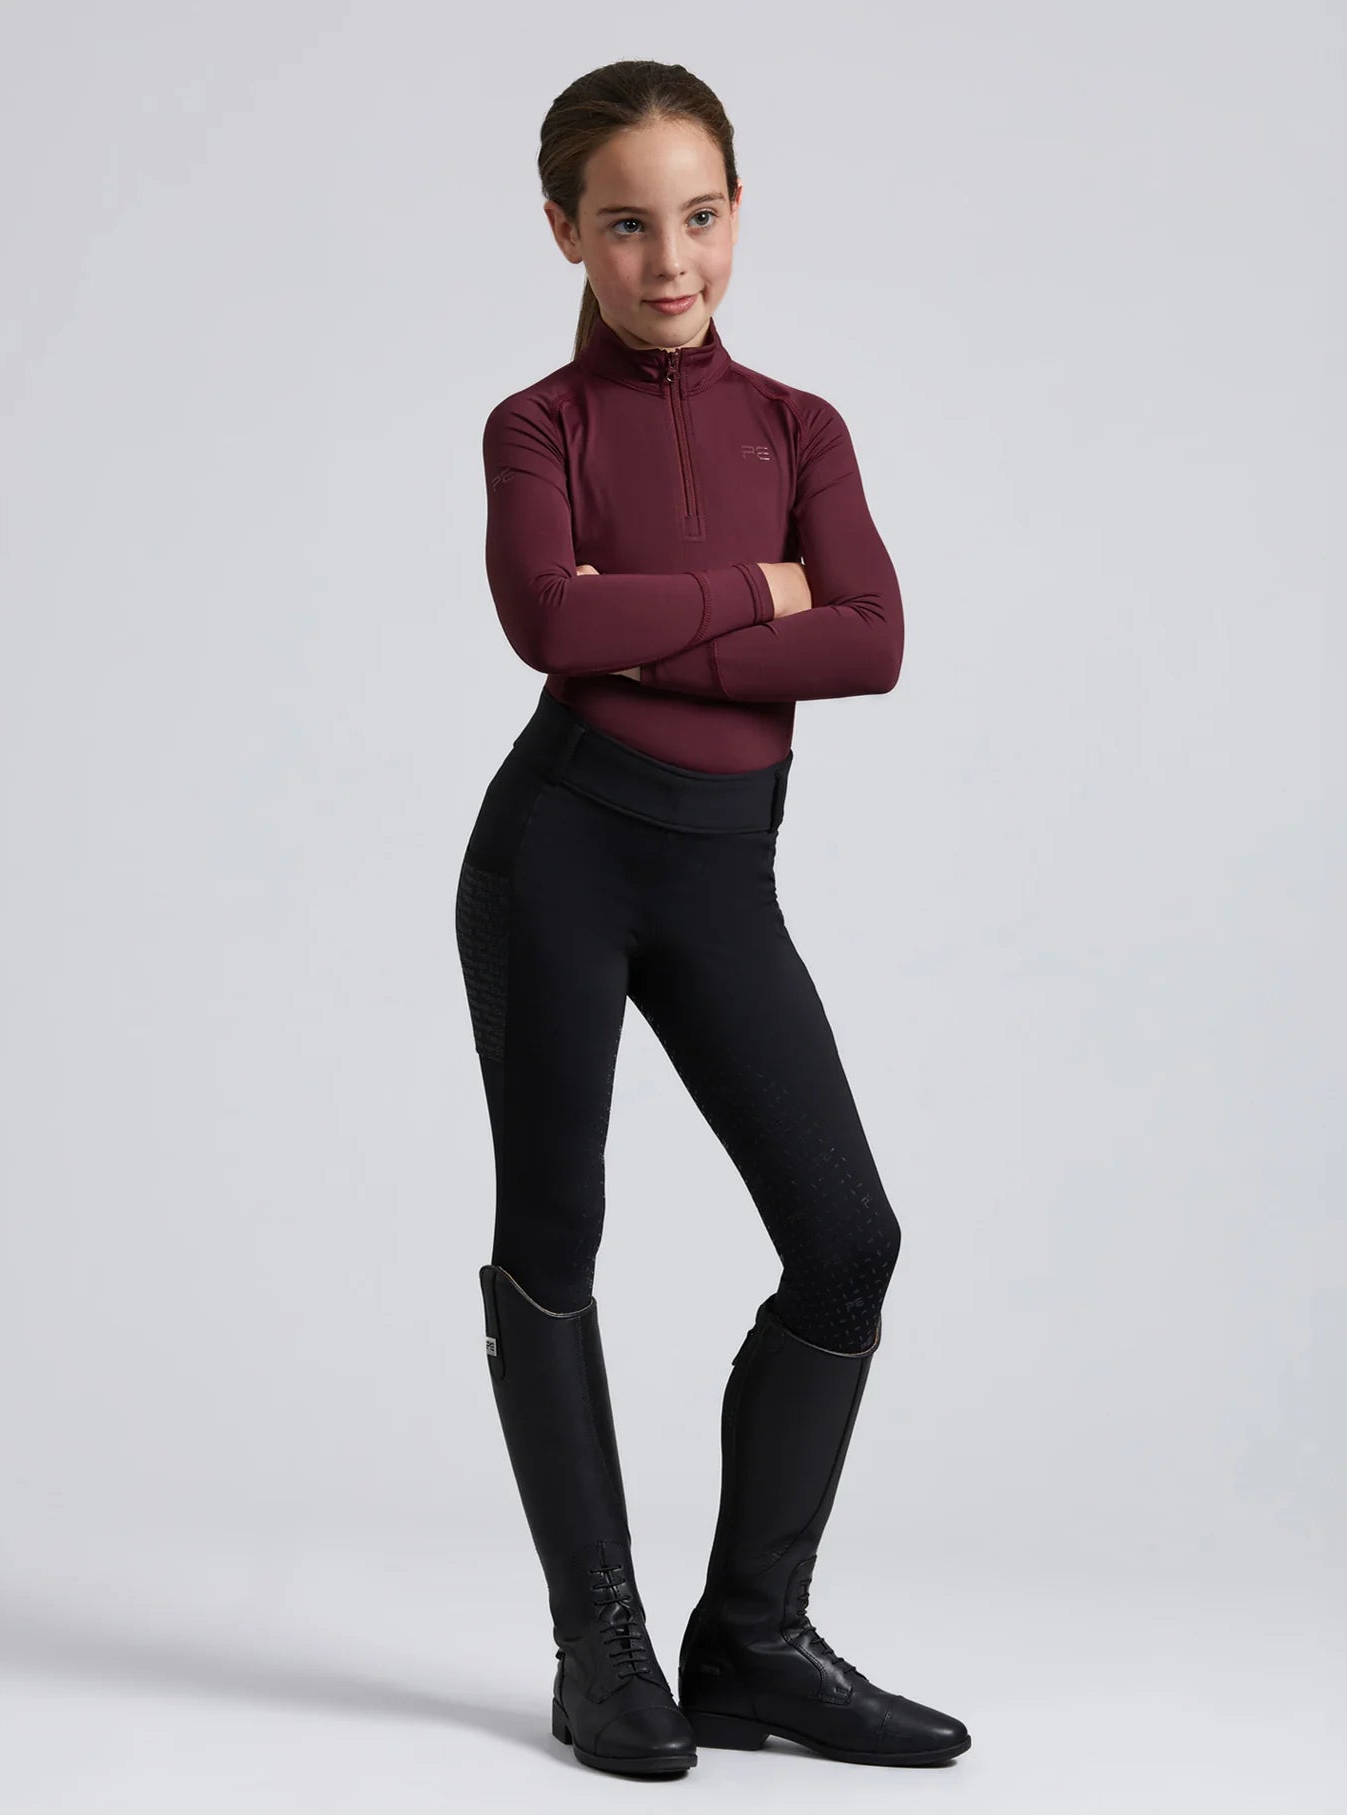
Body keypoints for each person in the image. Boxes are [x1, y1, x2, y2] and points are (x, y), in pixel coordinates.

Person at [455, 58, 972, 1777]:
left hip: (720, 874)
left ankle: (751, 1638)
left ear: (737, 211)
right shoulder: (536, 428)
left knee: (846, 1244)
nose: (667, 260)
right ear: (563, 231)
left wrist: (645, 619)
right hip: (559, 858)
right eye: (624, 225)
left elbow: (872, 640)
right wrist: (760, 592)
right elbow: (550, 623)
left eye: (697, 217)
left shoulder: (801, 428)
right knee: (555, 1234)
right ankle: (597, 1646)